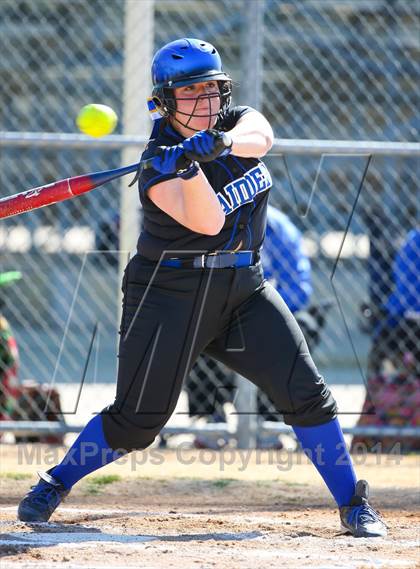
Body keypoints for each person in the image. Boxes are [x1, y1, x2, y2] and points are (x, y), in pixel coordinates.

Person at [18, 38, 386, 538]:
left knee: (307, 394)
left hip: (244, 289)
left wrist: (222, 143)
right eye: (190, 93)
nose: (206, 103)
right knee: (138, 422)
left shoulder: (232, 124)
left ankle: (352, 503)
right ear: (165, 103)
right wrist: (188, 168)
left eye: (212, 90)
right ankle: (56, 482)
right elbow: (210, 221)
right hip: (169, 292)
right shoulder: (156, 168)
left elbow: (263, 134)